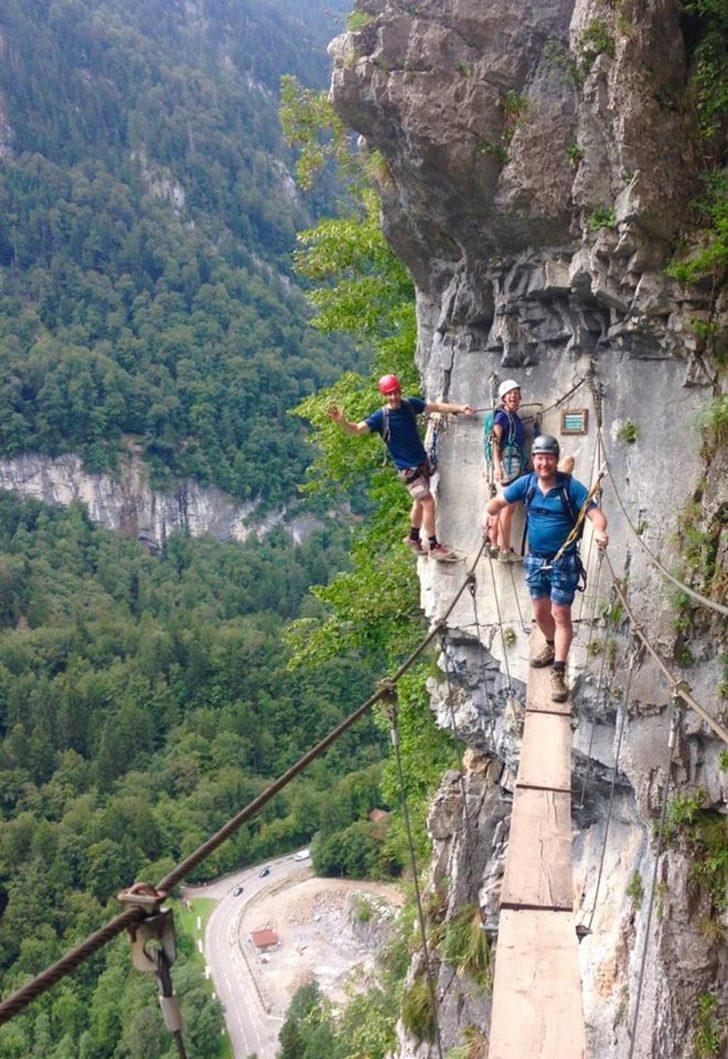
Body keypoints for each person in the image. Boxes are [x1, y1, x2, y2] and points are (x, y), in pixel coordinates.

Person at [484, 434, 608, 702]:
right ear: (533, 459)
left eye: (549, 458)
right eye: (540, 458)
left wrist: (599, 531)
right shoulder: (527, 484)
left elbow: (596, 515)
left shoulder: (570, 487)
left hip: (563, 560)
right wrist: (488, 511)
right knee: (541, 614)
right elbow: (499, 501)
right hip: (536, 560)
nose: (544, 463)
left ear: (555, 459)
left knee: (560, 613)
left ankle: (558, 672)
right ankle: (551, 644)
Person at [327, 374, 473, 560]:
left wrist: (459, 408)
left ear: (400, 391)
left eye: (395, 392)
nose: (393, 397)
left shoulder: (410, 405)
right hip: (408, 469)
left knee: (419, 502)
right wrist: (342, 422)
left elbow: (435, 407)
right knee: (428, 502)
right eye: (389, 394)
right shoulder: (381, 417)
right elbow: (356, 429)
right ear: (384, 396)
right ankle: (434, 546)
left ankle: (413, 537)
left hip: (421, 463)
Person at [485, 378, 526, 562]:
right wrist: (497, 466)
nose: (513, 396)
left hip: (513, 465)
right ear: (503, 397)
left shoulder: (512, 416)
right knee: (508, 508)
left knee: (502, 505)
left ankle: (494, 544)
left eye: (516, 393)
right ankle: (504, 550)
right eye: (510, 394)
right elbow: (494, 441)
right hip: (507, 466)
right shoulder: (502, 416)